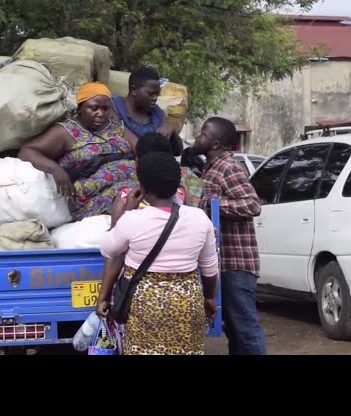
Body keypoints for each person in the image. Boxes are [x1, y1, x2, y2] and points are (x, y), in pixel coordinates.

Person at [96, 151, 219, 355]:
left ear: (142, 187)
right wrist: (209, 298)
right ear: (178, 185)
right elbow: (209, 268)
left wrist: (127, 210)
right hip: (187, 304)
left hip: (144, 306)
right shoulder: (200, 219)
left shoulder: (132, 220)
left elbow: (108, 249)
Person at [192, 116, 267, 355]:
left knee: (244, 326)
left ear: (215, 143)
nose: (197, 136)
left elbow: (252, 204)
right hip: (222, 261)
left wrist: (213, 205)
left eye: (203, 133)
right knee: (234, 328)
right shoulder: (210, 167)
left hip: (237, 261)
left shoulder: (229, 166)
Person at [18, 81, 138, 221]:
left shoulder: (117, 128)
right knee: (133, 199)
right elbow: (27, 151)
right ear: (80, 108)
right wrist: (56, 169)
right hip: (92, 198)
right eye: (94, 108)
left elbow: (142, 147)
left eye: (105, 109)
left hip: (134, 184)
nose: (100, 114)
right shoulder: (66, 132)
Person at [110, 66, 183, 155]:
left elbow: (178, 151)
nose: (155, 98)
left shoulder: (157, 113)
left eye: (157, 94)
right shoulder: (113, 107)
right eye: (151, 94)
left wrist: (171, 129)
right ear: (134, 90)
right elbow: (136, 148)